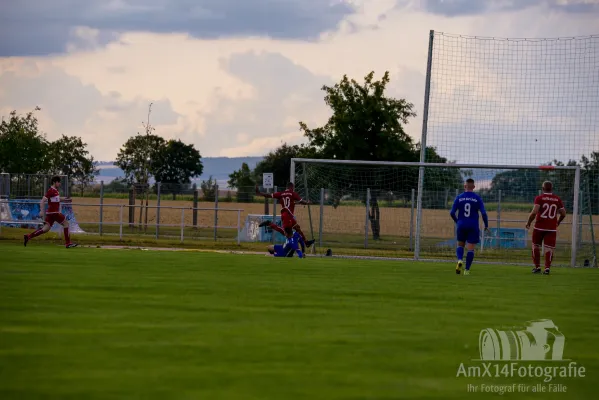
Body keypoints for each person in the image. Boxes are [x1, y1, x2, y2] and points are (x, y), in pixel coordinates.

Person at [23, 176, 78, 248]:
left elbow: (57, 199)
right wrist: (41, 211)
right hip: (54, 213)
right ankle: (68, 243)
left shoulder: (55, 191)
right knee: (66, 224)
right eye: (58, 182)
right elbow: (42, 201)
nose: (59, 183)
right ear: (54, 182)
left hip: (51, 213)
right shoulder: (51, 191)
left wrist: (66, 199)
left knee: (45, 229)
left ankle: (28, 236)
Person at [256, 182, 315, 248]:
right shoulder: (293, 193)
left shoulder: (281, 194)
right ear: (292, 187)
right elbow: (301, 201)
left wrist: (260, 193)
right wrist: (307, 203)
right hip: (287, 215)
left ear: (286, 187)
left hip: (287, 215)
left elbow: (269, 195)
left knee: (297, 228)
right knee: (286, 233)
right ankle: (269, 223)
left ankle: (306, 242)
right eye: (293, 188)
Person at [450, 178, 489, 275]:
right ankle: (466, 270)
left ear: (465, 186)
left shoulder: (459, 197)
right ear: (474, 187)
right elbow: (484, 213)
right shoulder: (477, 198)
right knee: (470, 249)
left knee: (460, 245)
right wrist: (486, 225)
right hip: (473, 225)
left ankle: (459, 260)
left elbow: (451, 212)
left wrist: (457, 221)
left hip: (461, 224)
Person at [525, 181, 566, 275]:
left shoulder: (539, 198)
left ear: (543, 189)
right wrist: (558, 222)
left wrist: (529, 222)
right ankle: (547, 268)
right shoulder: (557, 199)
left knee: (535, 246)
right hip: (551, 228)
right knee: (549, 249)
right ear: (552, 189)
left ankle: (537, 267)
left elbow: (534, 212)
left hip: (539, 227)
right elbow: (563, 213)